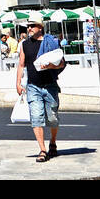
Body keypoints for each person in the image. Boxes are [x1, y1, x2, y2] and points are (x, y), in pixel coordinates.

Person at [16, 13, 65, 162]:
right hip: (33, 86)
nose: (29, 28)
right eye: (28, 26)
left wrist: (50, 65)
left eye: (32, 25)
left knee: (52, 118)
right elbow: (21, 64)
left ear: (40, 27)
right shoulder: (24, 44)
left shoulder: (51, 43)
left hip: (50, 85)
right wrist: (18, 82)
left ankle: (53, 143)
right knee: (36, 117)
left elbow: (62, 63)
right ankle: (42, 150)